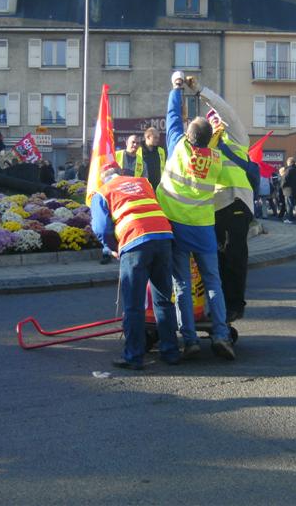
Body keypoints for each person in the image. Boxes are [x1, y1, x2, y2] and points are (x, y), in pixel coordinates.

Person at [156, 71, 235, 360]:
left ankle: (189, 339)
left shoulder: (177, 146)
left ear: (188, 136)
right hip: (203, 226)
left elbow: (172, 117)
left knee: (182, 285)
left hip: (176, 225)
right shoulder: (216, 158)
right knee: (213, 281)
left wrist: (176, 87)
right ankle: (221, 334)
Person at [90, 163, 179, 370]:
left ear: (103, 178)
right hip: (164, 238)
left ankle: (134, 356)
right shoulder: (142, 182)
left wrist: (113, 248)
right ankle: (171, 351)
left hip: (135, 242)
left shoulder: (102, 192)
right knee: (164, 300)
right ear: (121, 174)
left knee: (134, 305)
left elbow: (101, 228)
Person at [185, 76, 255, 324]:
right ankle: (214, 304)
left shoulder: (235, 139)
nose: (215, 124)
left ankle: (234, 305)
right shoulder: (201, 145)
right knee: (213, 260)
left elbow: (228, 112)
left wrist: (201, 91)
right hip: (211, 207)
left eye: (216, 121)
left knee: (234, 255)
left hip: (235, 202)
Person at [281, 157, 296, 222]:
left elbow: (284, 180)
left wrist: (282, 186)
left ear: (289, 163)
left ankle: (289, 219)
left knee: (289, 205)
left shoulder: (288, 170)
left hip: (288, 190)